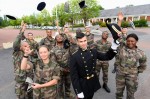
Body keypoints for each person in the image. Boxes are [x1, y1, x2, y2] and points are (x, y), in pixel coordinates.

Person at [69, 32, 118, 99]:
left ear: (87, 40)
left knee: (90, 97)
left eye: (85, 41)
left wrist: (113, 47)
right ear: (77, 43)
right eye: (81, 42)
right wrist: (78, 91)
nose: (83, 43)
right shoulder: (74, 56)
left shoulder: (93, 51)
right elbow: (74, 77)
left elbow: (106, 56)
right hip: (82, 84)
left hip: (92, 81)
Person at [115, 33, 147, 99]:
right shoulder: (121, 48)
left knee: (131, 94)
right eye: (128, 41)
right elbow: (118, 40)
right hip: (120, 74)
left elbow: (143, 65)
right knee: (119, 92)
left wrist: (136, 71)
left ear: (136, 41)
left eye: (132, 41)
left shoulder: (141, 53)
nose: (130, 42)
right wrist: (119, 34)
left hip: (132, 76)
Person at [12, 22, 33, 99]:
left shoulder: (28, 54)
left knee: (30, 96)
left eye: (28, 46)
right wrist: (22, 31)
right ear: (20, 47)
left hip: (29, 80)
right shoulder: (17, 53)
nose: (27, 47)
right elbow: (16, 43)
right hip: (20, 82)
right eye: (25, 46)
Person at [51, 34, 75, 99]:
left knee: (68, 84)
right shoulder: (53, 50)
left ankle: (68, 94)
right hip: (59, 71)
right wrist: (63, 69)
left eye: (60, 36)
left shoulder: (67, 47)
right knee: (59, 86)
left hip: (68, 70)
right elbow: (54, 63)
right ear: (55, 40)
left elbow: (73, 55)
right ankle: (60, 96)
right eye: (57, 37)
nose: (59, 37)